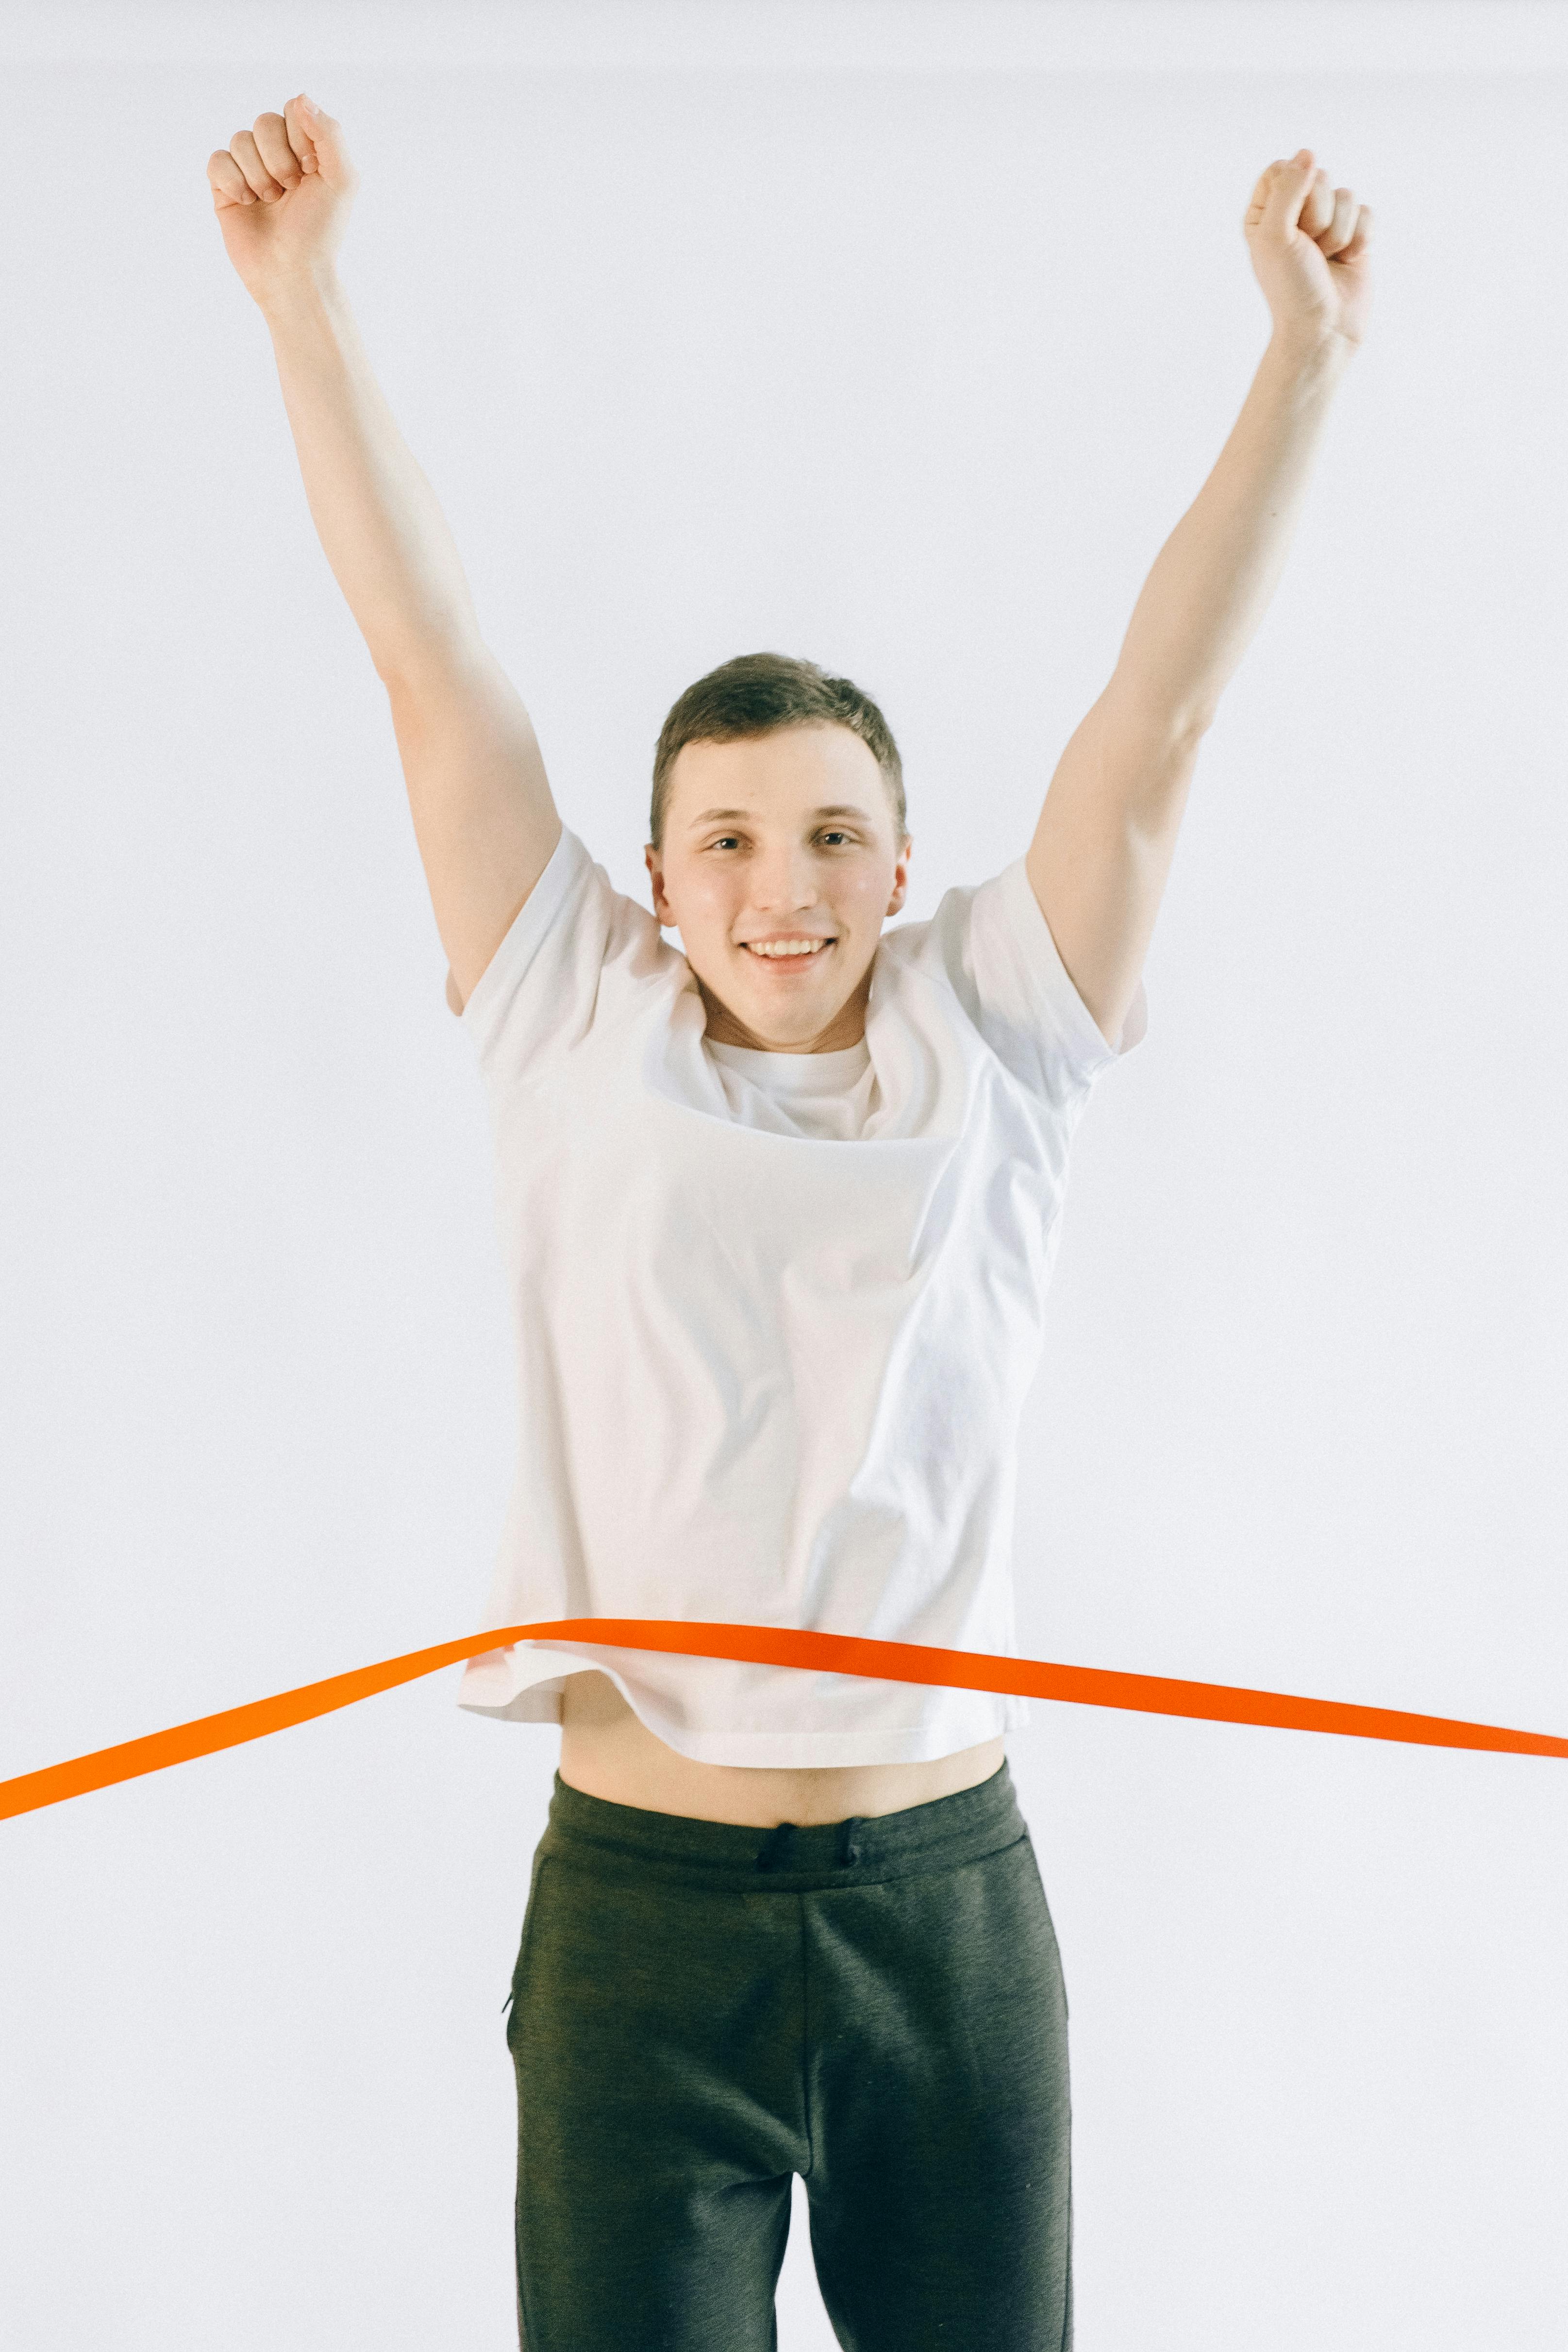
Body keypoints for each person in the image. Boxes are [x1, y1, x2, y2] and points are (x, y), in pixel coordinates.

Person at [207, 95, 1371, 2352]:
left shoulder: (998, 1023)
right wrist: (306, 302)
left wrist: (1303, 361)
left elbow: (1161, 717)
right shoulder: (570, 1015)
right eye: (725, 841)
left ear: (903, 860)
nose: (782, 888)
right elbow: (425, 659)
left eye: (835, 835)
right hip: (644, 1918)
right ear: (657, 884)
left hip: (945, 1913)